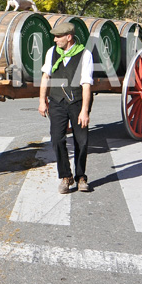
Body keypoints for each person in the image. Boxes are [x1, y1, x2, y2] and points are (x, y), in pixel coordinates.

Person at [38, 22, 94, 194]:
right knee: (56, 139)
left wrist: (85, 110)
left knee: (81, 141)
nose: (55, 40)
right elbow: (45, 76)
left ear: (68, 37)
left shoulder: (85, 54)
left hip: (77, 102)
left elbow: (86, 84)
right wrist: (42, 100)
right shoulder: (52, 52)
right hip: (56, 101)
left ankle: (81, 177)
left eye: (58, 37)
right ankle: (66, 176)